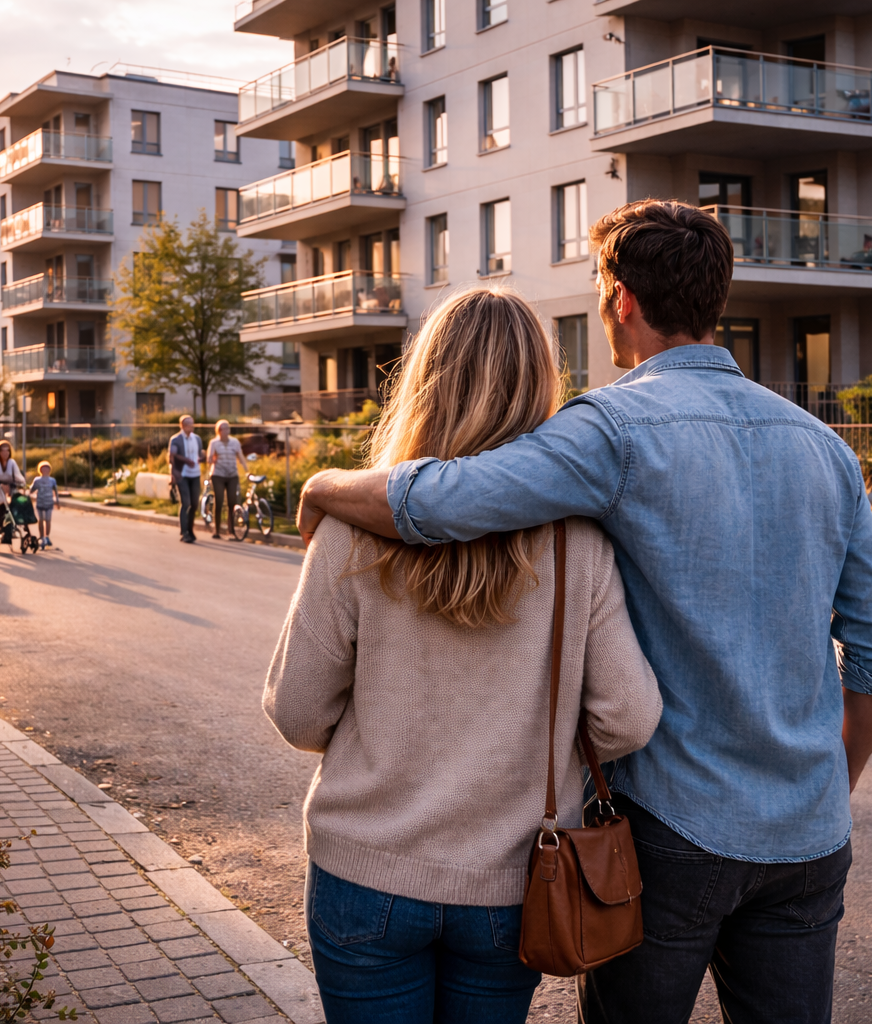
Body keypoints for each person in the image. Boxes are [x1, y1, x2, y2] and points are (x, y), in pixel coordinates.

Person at [294, 199, 872, 1024]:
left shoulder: (612, 431)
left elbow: (447, 499)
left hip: (674, 830)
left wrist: (326, 486)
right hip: (809, 834)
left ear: (620, 297)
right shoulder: (824, 446)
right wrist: (829, 786)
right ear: (715, 298)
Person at [264, 287, 662, 1024]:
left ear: (424, 380)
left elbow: (296, 712)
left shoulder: (351, 531)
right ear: (541, 387)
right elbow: (631, 718)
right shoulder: (580, 545)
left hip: (364, 870)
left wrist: (381, 737)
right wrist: (537, 745)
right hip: (511, 883)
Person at [207, 419, 245, 541]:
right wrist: (212, 457)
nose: (227, 431)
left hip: (232, 474)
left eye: (228, 428)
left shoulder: (235, 442)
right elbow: (209, 458)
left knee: (232, 502)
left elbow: (241, 457)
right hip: (218, 474)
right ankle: (217, 530)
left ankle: (231, 530)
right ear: (219, 431)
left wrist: (247, 470)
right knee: (219, 500)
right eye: (224, 428)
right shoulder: (214, 443)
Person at [168, 415, 203, 543]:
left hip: (195, 474)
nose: (191, 426)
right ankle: (184, 532)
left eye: (192, 423)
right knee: (186, 503)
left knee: (194, 504)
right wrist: (173, 472)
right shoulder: (176, 439)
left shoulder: (197, 439)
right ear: (182, 425)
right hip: (181, 474)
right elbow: (172, 456)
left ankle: (190, 529)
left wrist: (202, 458)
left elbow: (199, 454)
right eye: (188, 424)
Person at [0, 439, 26, 538]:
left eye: (7, 450)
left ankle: (8, 529)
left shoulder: (11, 463)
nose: (5, 453)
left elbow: (17, 475)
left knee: (10, 509)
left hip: (9, 489)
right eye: (2, 450)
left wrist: (22, 482)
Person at [30, 460, 61, 549]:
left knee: (48, 520)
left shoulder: (52, 480)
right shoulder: (37, 480)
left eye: (47, 468)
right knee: (41, 519)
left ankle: (47, 536)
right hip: (40, 502)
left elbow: (56, 491)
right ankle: (41, 536)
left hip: (49, 502)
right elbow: (32, 489)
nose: (45, 470)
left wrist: (57, 502)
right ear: (40, 470)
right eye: (43, 468)